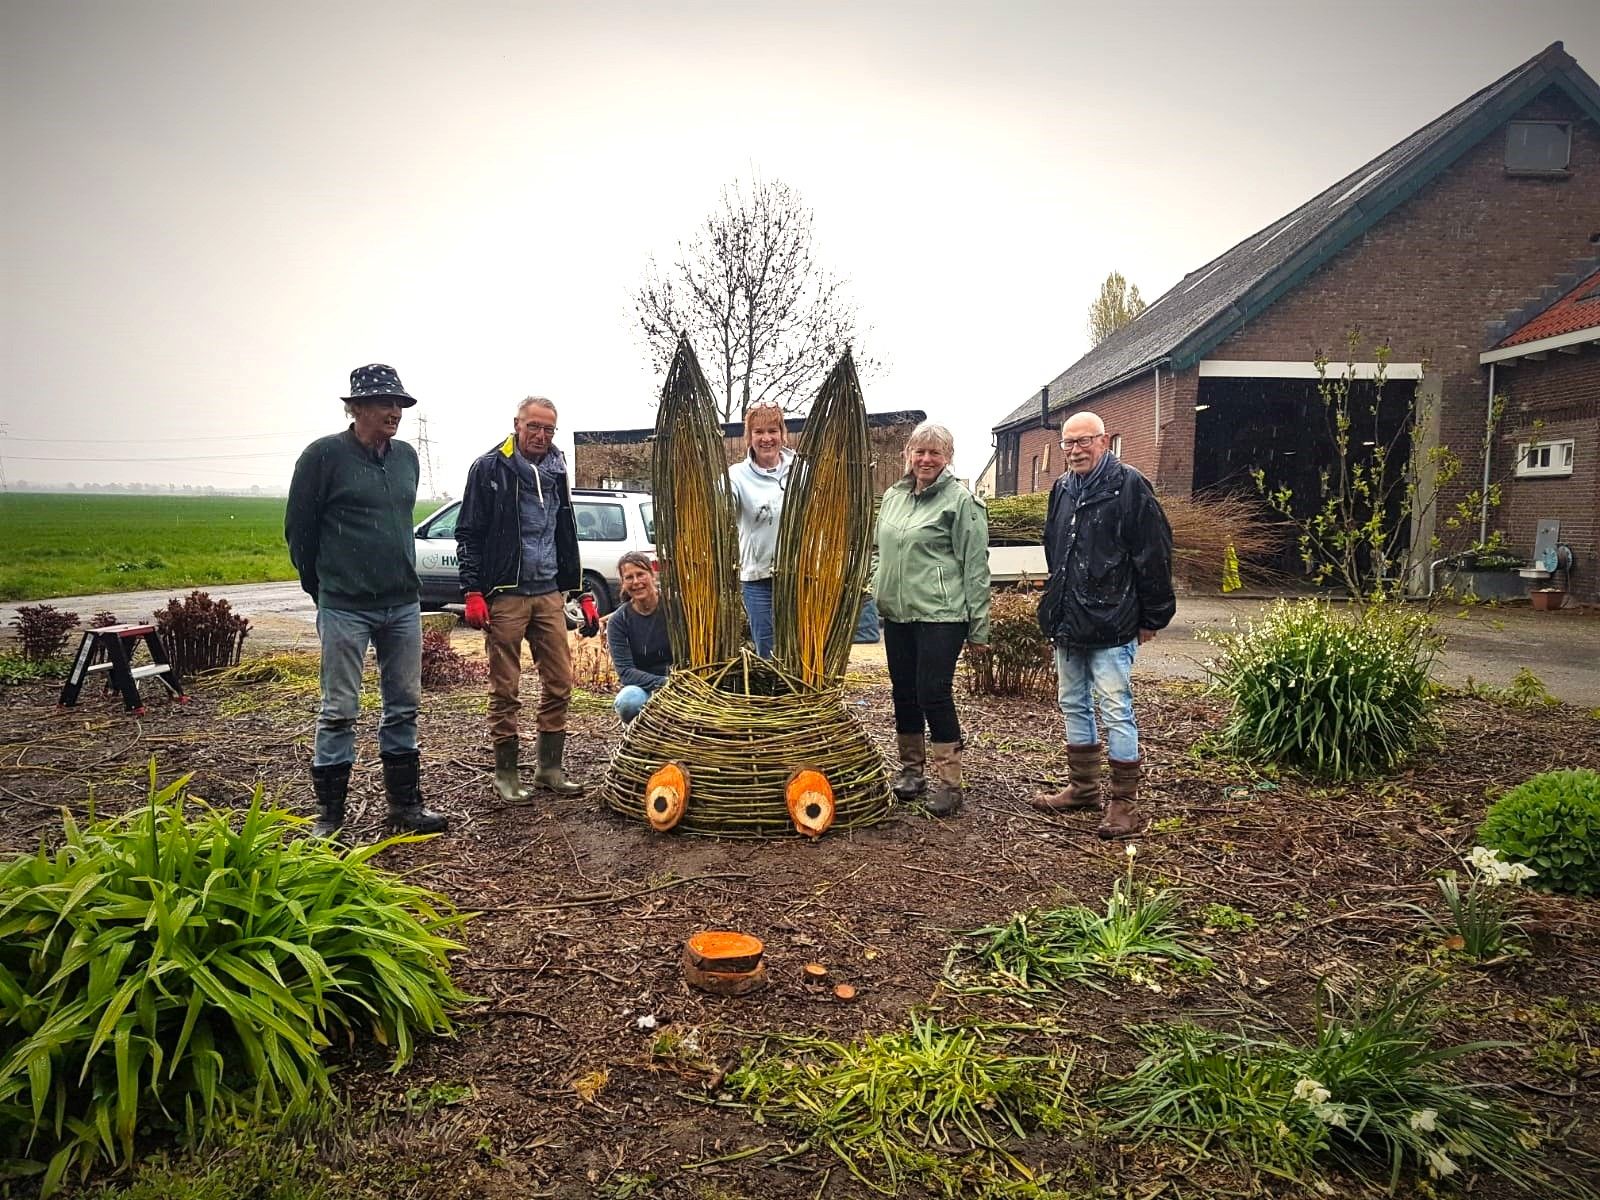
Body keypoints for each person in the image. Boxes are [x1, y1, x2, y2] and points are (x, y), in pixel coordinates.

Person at [285, 363, 448, 838]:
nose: (394, 412)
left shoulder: (406, 457)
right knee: (339, 709)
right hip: (344, 604)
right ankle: (330, 816)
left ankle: (405, 806)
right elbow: (299, 531)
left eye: (399, 404)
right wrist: (321, 587)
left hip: (403, 603)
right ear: (355, 408)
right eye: (383, 403)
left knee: (404, 705)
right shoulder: (323, 456)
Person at [1032, 410, 1175, 840]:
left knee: (1116, 709)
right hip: (1069, 619)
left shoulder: (1129, 486)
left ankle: (1124, 803)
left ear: (1104, 441)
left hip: (1113, 621)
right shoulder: (1062, 488)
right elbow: (1054, 547)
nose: (1075, 450)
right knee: (1073, 703)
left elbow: (1153, 554)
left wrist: (1152, 616)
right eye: (1068, 443)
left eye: (1084, 441)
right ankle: (1083, 789)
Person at [456, 396, 587, 802]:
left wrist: (580, 591)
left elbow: (565, 533)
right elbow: (469, 532)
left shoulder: (558, 469)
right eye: (533, 426)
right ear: (517, 424)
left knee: (560, 682)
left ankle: (549, 769)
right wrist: (473, 590)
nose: (540, 435)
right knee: (505, 688)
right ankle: (506, 774)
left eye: (548, 429)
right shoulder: (489, 468)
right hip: (506, 595)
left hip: (548, 593)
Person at [872, 422, 991, 817]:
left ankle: (949, 784)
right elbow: (880, 550)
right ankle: (911, 772)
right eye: (919, 452)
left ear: (947, 458)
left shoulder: (961, 503)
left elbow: (975, 567)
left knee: (932, 693)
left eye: (934, 453)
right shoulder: (894, 496)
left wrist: (979, 627)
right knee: (904, 692)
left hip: (942, 614)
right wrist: (877, 583)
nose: (926, 459)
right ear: (908, 454)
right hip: (898, 614)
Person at [727, 400, 794, 658]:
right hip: (758, 577)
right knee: (767, 648)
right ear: (749, 437)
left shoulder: (800, 470)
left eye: (772, 431)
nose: (766, 438)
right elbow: (723, 506)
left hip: (798, 573)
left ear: (782, 434)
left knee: (799, 642)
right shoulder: (736, 476)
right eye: (759, 432)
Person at [606, 551, 672, 722]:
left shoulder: (675, 607)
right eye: (629, 577)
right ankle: (641, 731)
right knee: (627, 702)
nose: (636, 582)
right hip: (644, 688)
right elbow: (626, 672)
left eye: (641, 574)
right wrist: (666, 683)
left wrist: (679, 683)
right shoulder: (618, 621)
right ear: (623, 583)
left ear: (652, 575)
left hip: (683, 682)